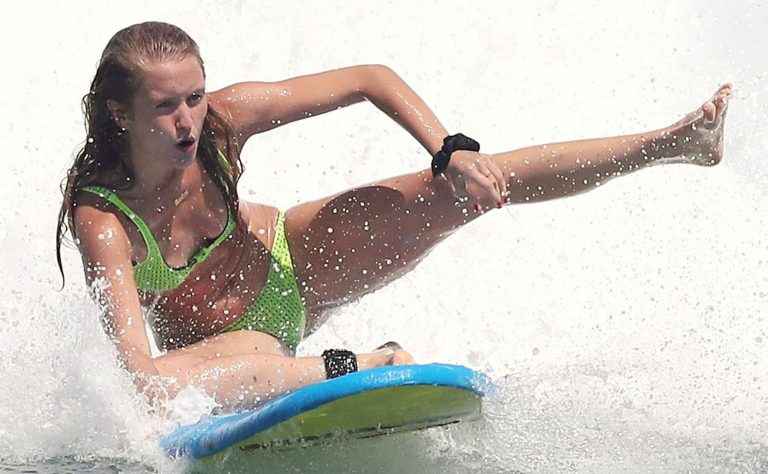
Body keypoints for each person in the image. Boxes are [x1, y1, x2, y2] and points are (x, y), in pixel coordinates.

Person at [56, 22, 731, 411]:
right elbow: (141, 371)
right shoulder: (103, 221)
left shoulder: (224, 124)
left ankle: (670, 144)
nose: (187, 121)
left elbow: (368, 77)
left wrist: (450, 151)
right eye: (166, 107)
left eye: (195, 98)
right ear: (121, 113)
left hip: (297, 266)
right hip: (228, 352)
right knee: (237, 357)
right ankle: (360, 365)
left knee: (462, 189)